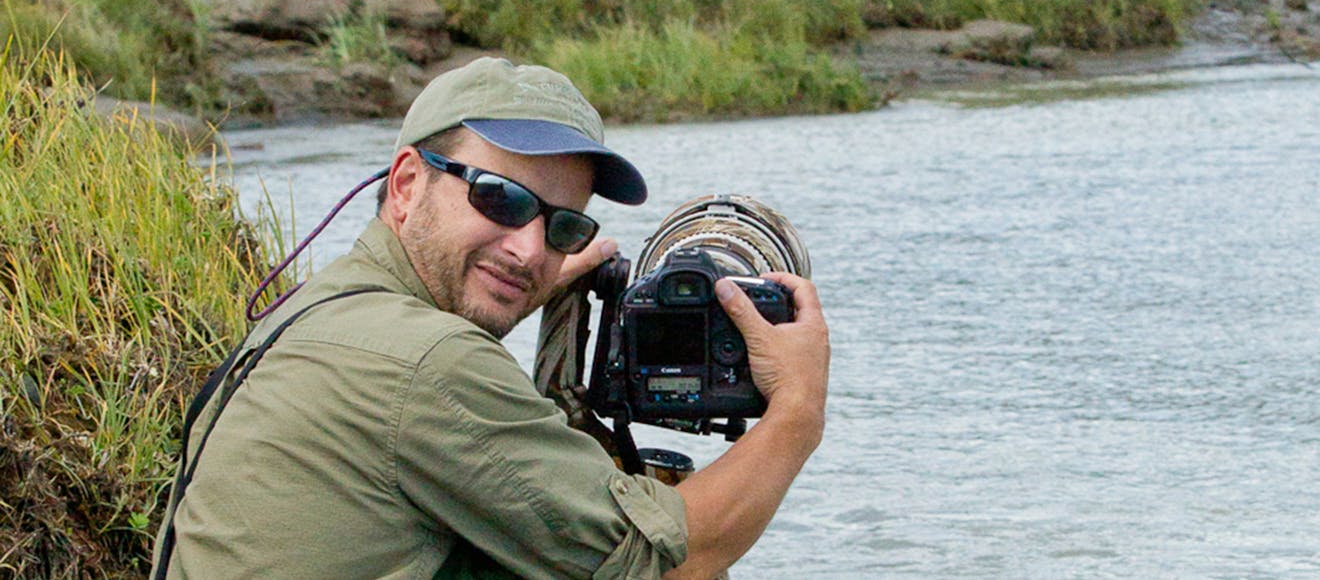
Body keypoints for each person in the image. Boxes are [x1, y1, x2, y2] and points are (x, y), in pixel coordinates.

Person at [151, 56, 830, 579]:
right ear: (408, 183)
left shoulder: (321, 312)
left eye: (563, 226)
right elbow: (666, 561)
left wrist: (537, 301)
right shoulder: (427, 364)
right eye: (500, 200)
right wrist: (797, 412)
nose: (530, 248)